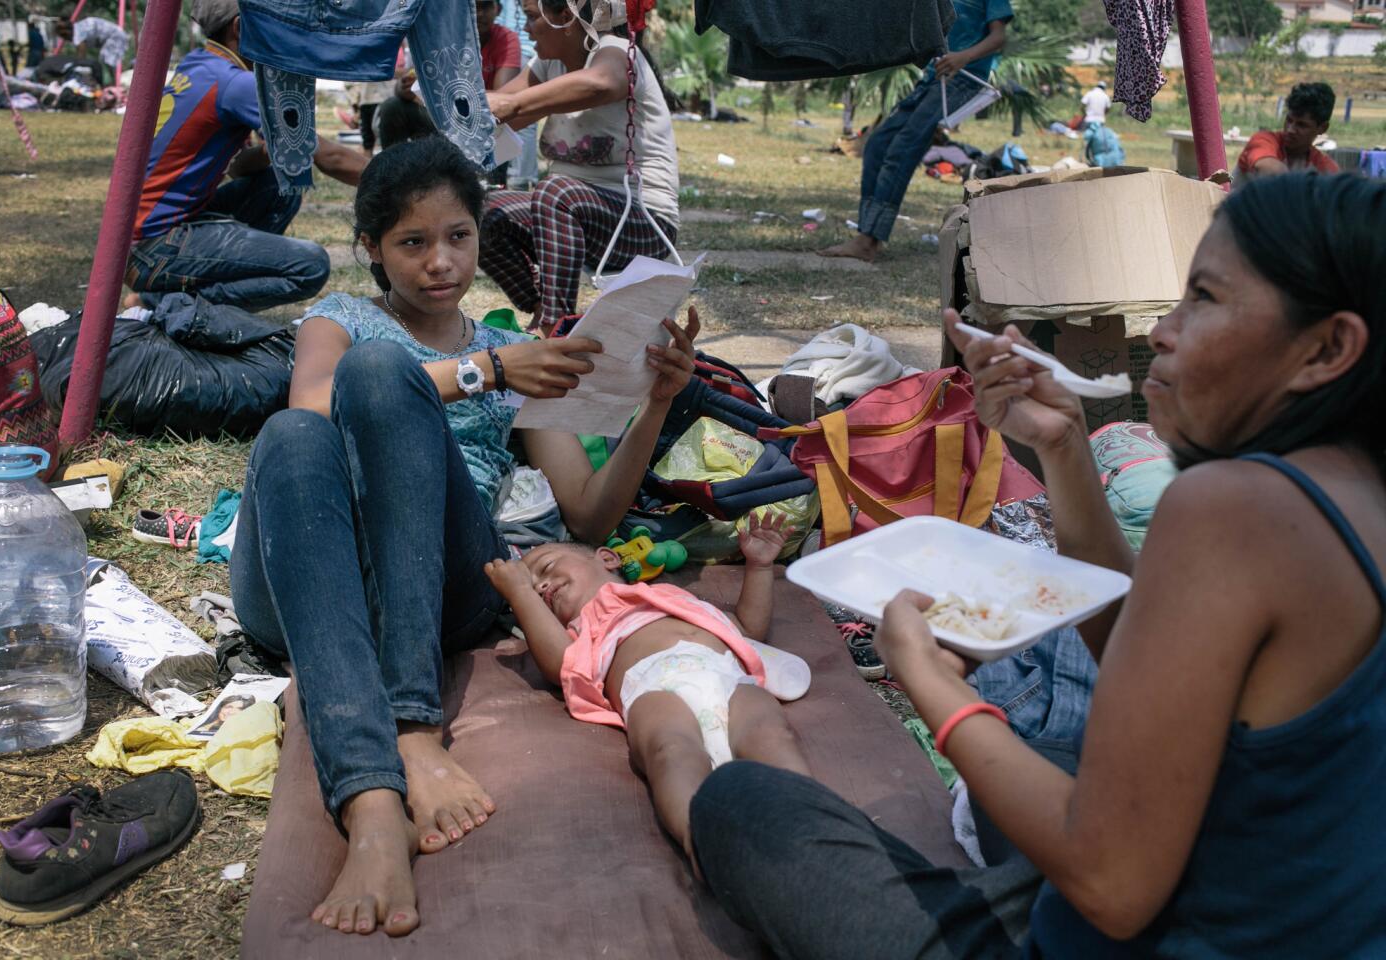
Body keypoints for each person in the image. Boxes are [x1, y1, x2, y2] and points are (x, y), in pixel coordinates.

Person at [688, 173, 1386, 957]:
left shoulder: (1233, 507)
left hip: (1141, 912)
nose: (1162, 331)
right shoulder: (1352, 492)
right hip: (1242, 888)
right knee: (1048, 759)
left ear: (1328, 348)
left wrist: (937, 691)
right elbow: (1140, 670)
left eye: (1206, 300)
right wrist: (1061, 445)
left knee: (742, 805)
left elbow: (1115, 888)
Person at [230, 133, 702, 937]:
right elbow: (306, 409)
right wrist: (487, 375)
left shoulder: (506, 345)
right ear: (372, 251)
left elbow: (587, 516)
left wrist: (656, 402)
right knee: (317, 418)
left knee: (383, 378)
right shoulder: (340, 320)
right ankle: (387, 775)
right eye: (413, 243)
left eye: (458, 237)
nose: (440, 262)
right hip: (311, 582)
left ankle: (397, 759)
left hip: (437, 586)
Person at [482, 512, 809, 862]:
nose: (541, 587)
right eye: (535, 591)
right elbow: (558, 663)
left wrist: (758, 567)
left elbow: (745, 628)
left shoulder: (671, 596)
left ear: (606, 557)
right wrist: (520, 593)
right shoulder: (580, 629)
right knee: (670, 749)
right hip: (654, 688)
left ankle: (810, 823)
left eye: (546, 568)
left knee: (772, 732)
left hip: (727, 675)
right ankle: (705, 845)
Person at [124, 0, 364, 312]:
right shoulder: (236, 84)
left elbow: (239, 168)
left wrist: (274, 147)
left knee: (280, 186)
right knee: (309, 266)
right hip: (153, 249)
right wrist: (402, 179)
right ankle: (160, 304)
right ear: (239, 27)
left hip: (147, 237)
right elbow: (329, 158)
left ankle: (202, 283)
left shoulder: (202, 63)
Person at [478, 0, 679, 332]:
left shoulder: (615, 51)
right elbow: (498, 117)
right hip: (568, 216)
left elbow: (601, 83)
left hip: (643, 221)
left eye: (530, 17)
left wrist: (511, 103)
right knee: (481, 209)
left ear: (566, 18)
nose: (524, 29)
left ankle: (553, 326)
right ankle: (544, 307)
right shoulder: (546, 66)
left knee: (556, 191)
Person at [820, 0, 1011, 264]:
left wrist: (962, 57)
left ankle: (868, 241)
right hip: (932, 79)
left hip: (964, 79)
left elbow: (998, 37)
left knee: (902, 149)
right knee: (877, 144)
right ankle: (865, 233)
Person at [1236, 82, 1339, 179]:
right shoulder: (1263, 141)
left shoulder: (1324, 167)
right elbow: (1272, 172)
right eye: (1289, 120)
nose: (1290, 130)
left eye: (1301, 125)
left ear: (1323, 128)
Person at [477, 0, 524, 185]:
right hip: (445, 117)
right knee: (395, 107)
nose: (479, 14)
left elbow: (501, 97)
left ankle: (493, 190)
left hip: (486, 120)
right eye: (473, 7)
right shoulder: (448, 37)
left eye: (485, 6)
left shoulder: (507, 38)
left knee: (495, 123)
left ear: (499, 10)